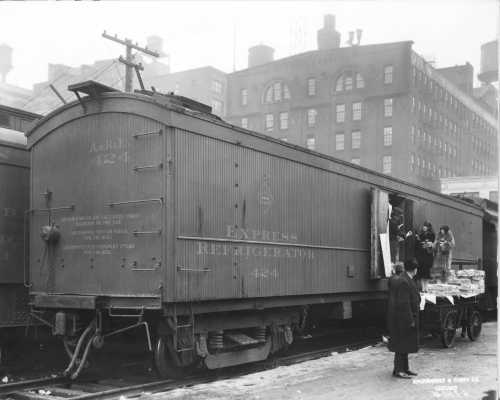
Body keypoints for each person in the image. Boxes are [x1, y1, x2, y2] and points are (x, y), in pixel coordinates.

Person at [387, 259, 421, 379]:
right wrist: (410, 320)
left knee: (405, 344)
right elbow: (404, 304)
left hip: (402, 318)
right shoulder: (404, 281)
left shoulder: (404, 278)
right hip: (403, 319)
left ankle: (405, 368)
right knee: (401, 345)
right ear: (415, 269)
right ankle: (398, 370)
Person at [415, 221, 435, 291]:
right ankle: (423, 288)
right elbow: (418, 244)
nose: (424, 227)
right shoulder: (420, 234)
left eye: (425, 226)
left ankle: (426, 288)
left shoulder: (432, 234)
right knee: (421, 272)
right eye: (424, 226)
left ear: (428, 227)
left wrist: (428, 244)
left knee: (426, 272)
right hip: (421, 255)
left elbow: (432, 244)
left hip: (427, 255)